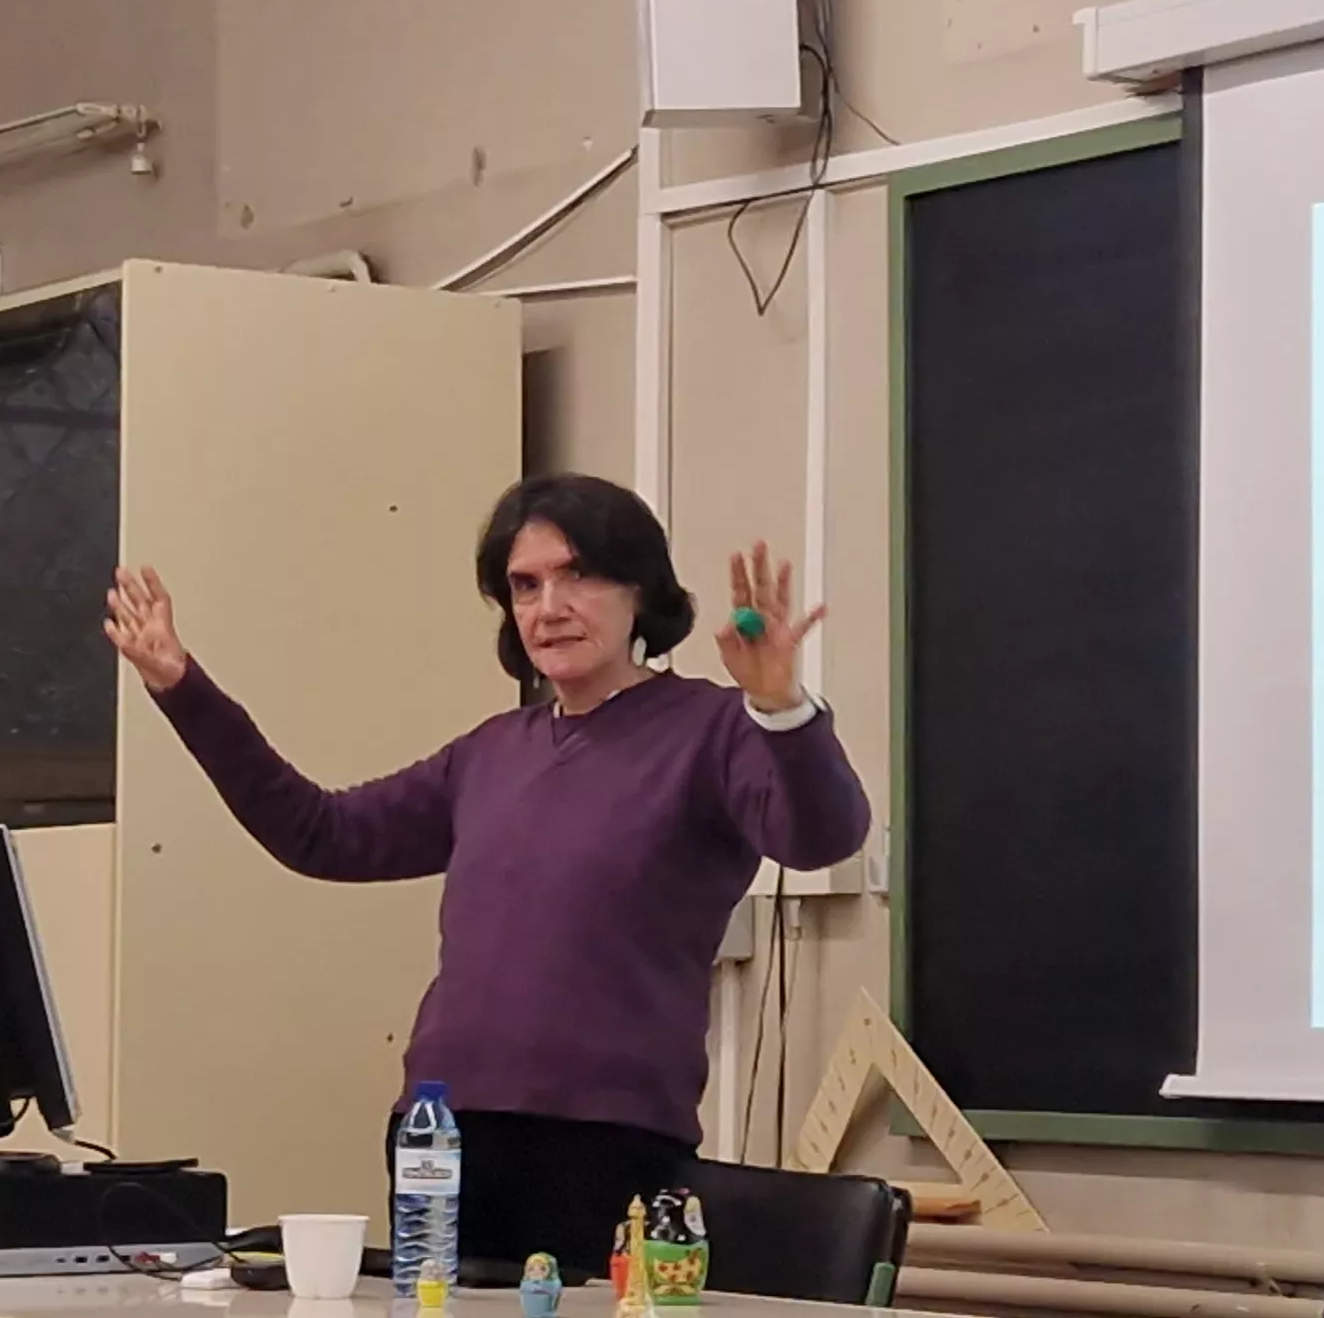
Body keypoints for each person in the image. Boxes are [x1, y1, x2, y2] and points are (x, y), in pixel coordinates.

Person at [102, 473, 872, 1275]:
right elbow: (319, 834)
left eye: (579, 575)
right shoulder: (490, 753)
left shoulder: (714, 729)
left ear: (639, 589)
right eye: (525, 585)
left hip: (605, 1140)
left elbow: (823, 838)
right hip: (441, 1130)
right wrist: (181, 689)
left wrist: (780, 709)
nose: (550, 606)